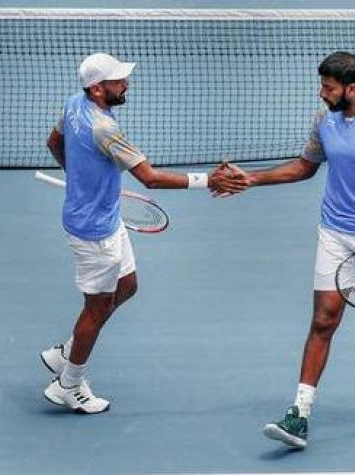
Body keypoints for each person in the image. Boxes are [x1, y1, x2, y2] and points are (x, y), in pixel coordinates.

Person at [219, 51, 355, 447]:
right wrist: (253, 180)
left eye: (328, 87)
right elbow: (304, 166)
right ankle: (299, 412)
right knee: (323, 320)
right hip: (334, 233)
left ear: (351, 88)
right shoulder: (325, 121)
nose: (322, 93)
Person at [40, 52, 246, 414]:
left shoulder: (75, 104)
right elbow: (150, 177)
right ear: (98, 88)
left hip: (105, 218)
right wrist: (207, 180)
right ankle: (68, 384)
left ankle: (66, 353)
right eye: (118, 81)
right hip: (94, 232)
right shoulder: (105, 129)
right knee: (97, 308)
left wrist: (81, 178)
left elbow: (53, 143)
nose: (126, 84)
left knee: (127, 286)